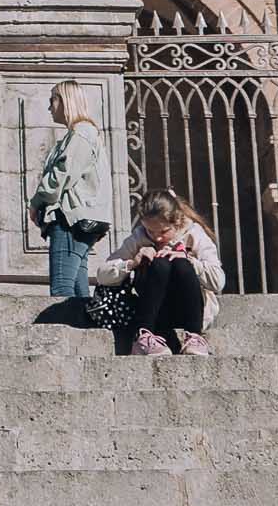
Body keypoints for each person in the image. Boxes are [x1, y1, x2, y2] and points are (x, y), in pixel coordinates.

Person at [92, 188, 224, 355]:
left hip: (188, 309)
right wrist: (133, 263)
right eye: (151, 231)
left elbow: (218, 281)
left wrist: (188, 259)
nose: (157, 238)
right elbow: (102, 274)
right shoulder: (139, 237)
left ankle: (195, 337)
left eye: (163, 231)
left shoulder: (194, 233)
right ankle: (144, 335)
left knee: (181, 264)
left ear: (177, 222)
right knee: (159, 264)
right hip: (153, 310)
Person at [29, 83, 111, 304]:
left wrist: (37, 201)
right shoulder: (82, 134)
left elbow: (62, 174)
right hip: (80, 218)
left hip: (70, 218)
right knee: (77, 287)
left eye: (52, 101)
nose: (50, 108)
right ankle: (83, 334)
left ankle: (66, 334)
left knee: (62, 287)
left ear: (65, 101)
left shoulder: (81, 133)